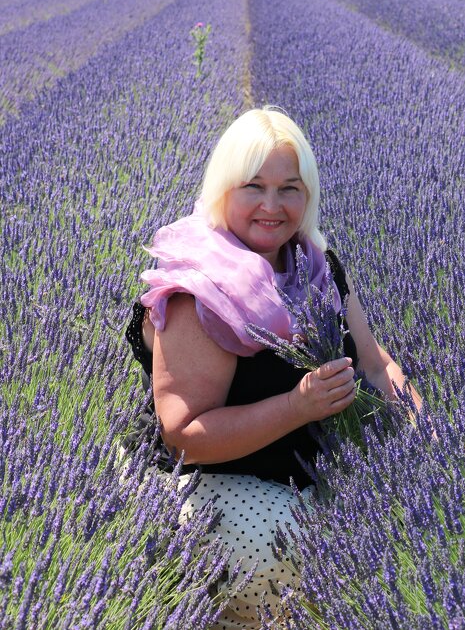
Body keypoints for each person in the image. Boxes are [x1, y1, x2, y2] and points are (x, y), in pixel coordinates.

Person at [126, 108, 423, 629]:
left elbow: (377, 367)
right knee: (320, 573)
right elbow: (183, 435)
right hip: (219, 485)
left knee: (412, 538)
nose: (272, 205)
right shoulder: (201, 289)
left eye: (289, 188)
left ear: (306, 195)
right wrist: (296, 407)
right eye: (253, 186)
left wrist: (428, 432)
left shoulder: (316, 266)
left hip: (318, 476)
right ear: (223, 189)